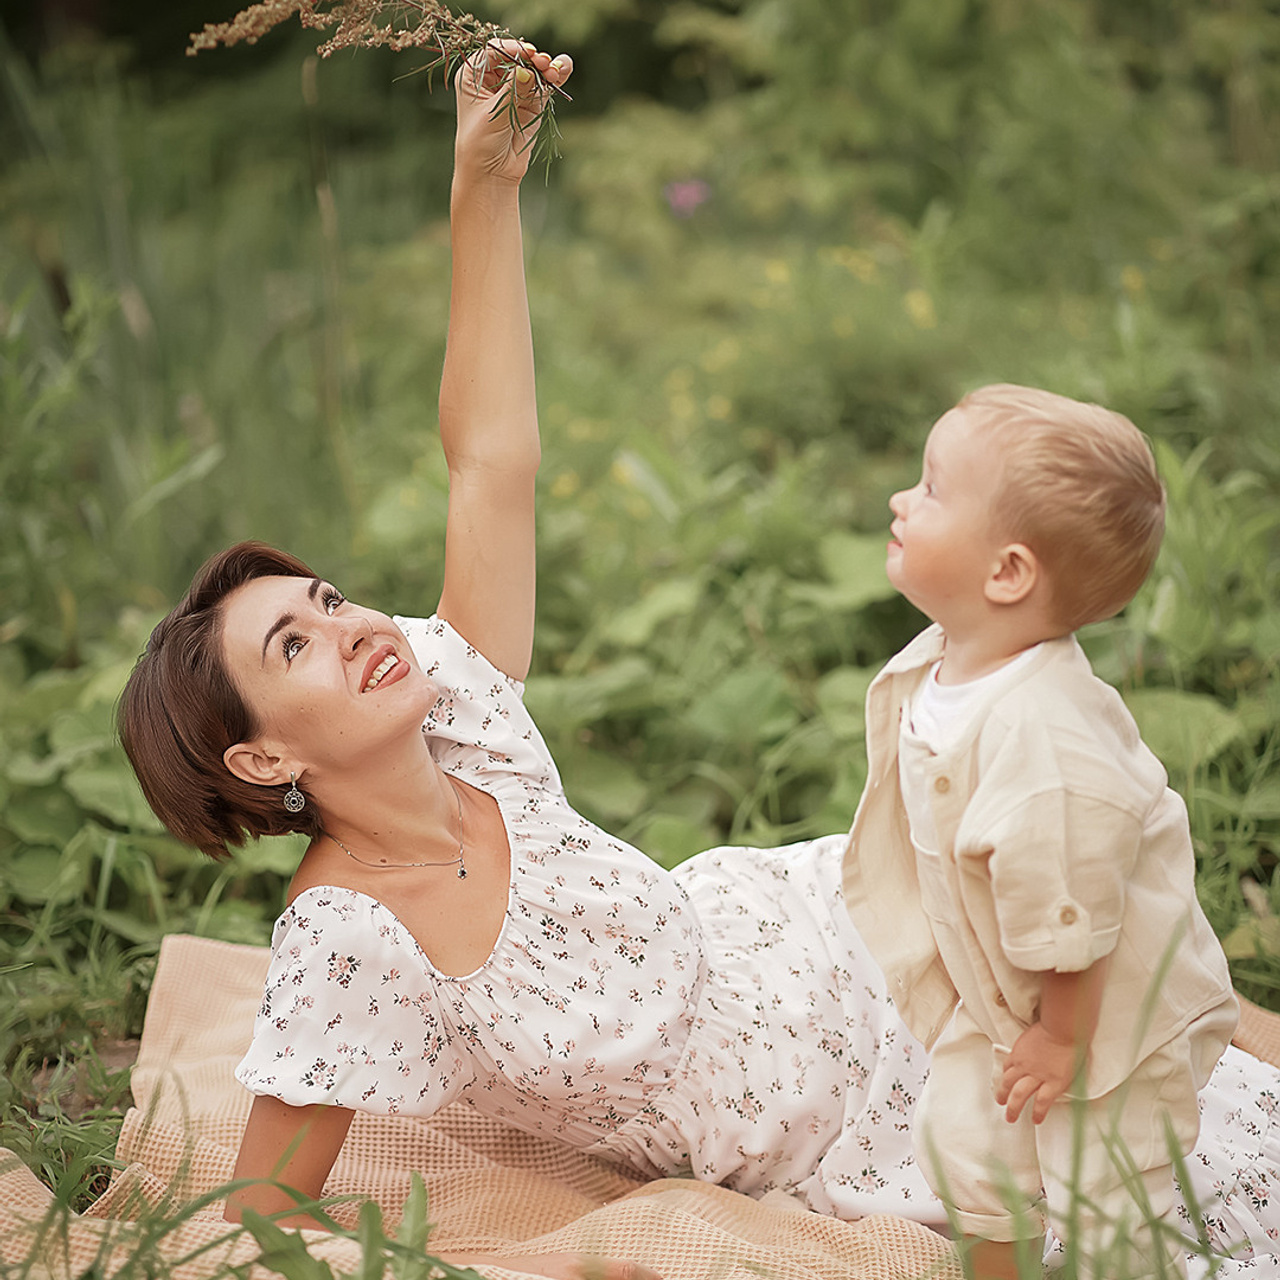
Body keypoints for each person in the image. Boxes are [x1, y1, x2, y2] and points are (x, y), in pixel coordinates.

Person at [116, 45, 1280, 1280]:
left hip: (820, 929)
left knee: (1150, 1031)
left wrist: (485, 185)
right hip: (817, 1120)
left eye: (331, 596)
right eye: (293, 641)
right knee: (1169, 1195)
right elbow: (258, 1210)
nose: (352, 623)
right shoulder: (346, 940)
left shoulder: (459, 704)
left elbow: (489, 458)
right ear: (260, 753)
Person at [842, 384, 1240, 1279]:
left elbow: (1080, 918)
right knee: (970, 1151)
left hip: (1108, 1019)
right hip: (997, 997)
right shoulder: (946, 663)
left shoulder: (1049, 744)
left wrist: (1062, 1037)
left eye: (933, 489)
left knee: (1112, 1181)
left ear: (1009, 573)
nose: (903, 501)